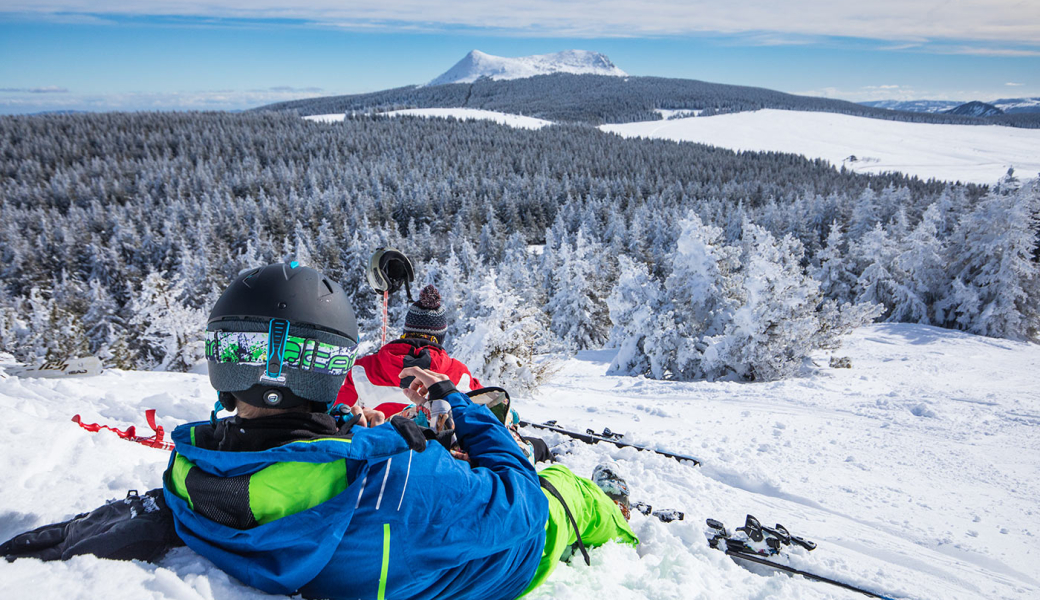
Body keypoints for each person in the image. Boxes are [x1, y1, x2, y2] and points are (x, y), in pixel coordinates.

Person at [1, 262, 637, 600]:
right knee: (560, 489)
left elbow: (294, 468)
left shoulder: (193, 478)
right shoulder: (395, 483)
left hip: (388, 518)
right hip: (504, 556)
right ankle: (616, 506)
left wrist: (354, 434)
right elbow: (520, 505)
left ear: (225, 365)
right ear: (332, 368)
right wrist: (458, 407)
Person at [333, 283, 482, 424]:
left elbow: (334, 414)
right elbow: (486, 413)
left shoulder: (360, 370)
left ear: (406, 332)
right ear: (439, 338)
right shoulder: (460, 375)